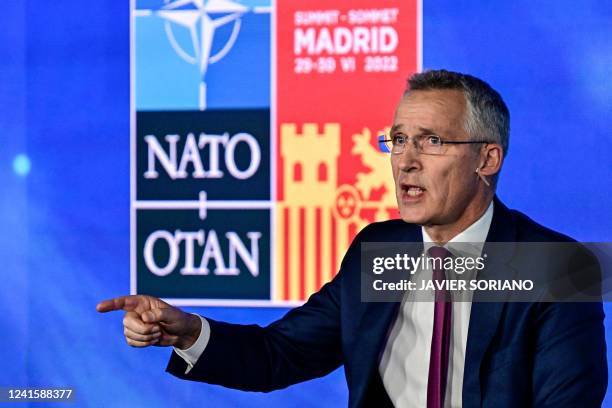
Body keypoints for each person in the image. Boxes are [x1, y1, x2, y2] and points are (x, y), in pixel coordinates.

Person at [97, 69, 607, 407]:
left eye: (431, 141)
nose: (406, 160)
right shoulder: (378, 251)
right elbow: (282, 354)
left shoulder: (556, 267)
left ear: (487, 159)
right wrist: (188, 331)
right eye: (399, 139)